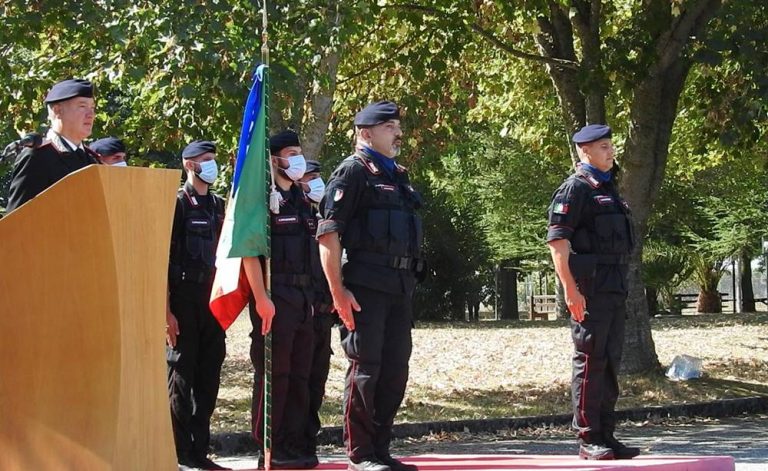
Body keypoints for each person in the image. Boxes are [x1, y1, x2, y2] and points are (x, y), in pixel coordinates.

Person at [317, 101, 424, 471]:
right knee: (366, 369)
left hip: (398, 288)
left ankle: (380, 449)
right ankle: (360, 455)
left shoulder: (397, 175)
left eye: (397, 126)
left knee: (395, 370)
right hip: (364, 288)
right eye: (389, 127)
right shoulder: (353, 172)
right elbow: (329, 237)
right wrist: (337, 292)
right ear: (366, 133)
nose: (398, 133)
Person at [546, 124, 640, 461]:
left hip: (614, 288)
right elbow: (558, 243)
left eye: (610, 145)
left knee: (611, 363)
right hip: (590, 289)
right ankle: (588, 438)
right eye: (602, 147)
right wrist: (571, 291)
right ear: (584, 151)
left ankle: (607, 434)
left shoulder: (611, 189)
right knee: (590, 361)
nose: (610, 151)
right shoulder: (576, 189)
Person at [249, 130, 317, 470]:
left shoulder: (302, 200)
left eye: (299, 152)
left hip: (304, 298)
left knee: (301, 375)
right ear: (274, 158)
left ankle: (293, 444)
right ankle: (269, 448)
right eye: (291, 153)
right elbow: (249, 251)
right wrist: (261, 297)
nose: (297, 160)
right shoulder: (263, 199)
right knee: (276, 374)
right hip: (277, 295)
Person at [166, 140, 229, 471]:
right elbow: (162, 260)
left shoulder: (218, 206)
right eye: (206, 160)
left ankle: (200, 452)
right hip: (184, 299)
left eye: (213, 160)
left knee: (209, 376)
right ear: (190, 165)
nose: (212, 166)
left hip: (212, 300)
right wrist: (166, 312)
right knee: (182, 377)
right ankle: (181, 454)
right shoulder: (177, 204)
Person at [6, 79, 99, 212]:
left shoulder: (92, 160)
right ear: (57, 111)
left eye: (92, 108)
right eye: (82, 106)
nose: (91, 115)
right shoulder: (37, 157)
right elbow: (17, 219)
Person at [299, 160, 337, 462]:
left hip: (324, 315)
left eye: (317, 177)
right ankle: (293, 442)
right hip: (302, 312)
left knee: (316, 382)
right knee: (297, 382)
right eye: (309, 178)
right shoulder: (295, 217)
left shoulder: (324, 217)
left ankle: (309, 441)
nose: (315, 184)